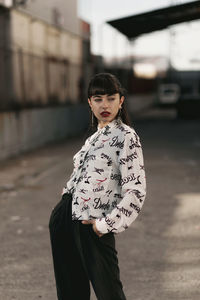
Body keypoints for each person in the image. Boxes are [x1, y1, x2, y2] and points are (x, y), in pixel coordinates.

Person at [49, 73, 146, 300]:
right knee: (70, 293)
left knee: (110, 292)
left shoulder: (126, 136)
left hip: (94, 224)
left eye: (111, 98)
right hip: (66, 220)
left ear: (121, 101)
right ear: (89, 102)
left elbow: (135, 190)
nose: (105, 105)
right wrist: (63, 203)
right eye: (98, 98)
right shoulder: (93, 138)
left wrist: (105, 225)